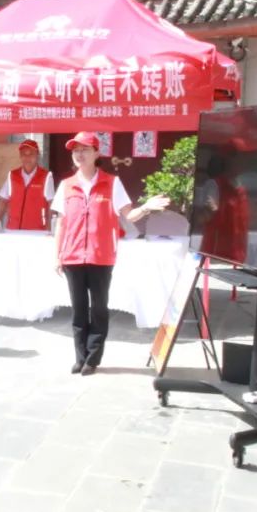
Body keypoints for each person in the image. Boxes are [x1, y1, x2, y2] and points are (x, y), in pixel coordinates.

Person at [52, 131, 169, 376]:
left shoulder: (112, 183)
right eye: (75, 150)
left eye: (84, 149)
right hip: (73, 257)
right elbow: (61, 223)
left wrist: (146, 207)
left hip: (101, 257)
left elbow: (129, 215)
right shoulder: (66, 185)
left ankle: (93, 358)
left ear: (96, 152)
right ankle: (80, 356)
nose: (79, 154)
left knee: (99, 308)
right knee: (78, 309)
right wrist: (57, 256)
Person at [0, 139, 54, 230]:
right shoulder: (12, 175)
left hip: (36, 231)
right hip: (13, 230)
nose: (27, 157)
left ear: (37, 156)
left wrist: (49, 229)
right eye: (24, 154)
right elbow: (3, 201)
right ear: (20, 156)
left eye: (31, 154)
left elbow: (51, 205)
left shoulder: (46, 176)